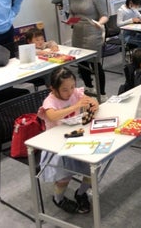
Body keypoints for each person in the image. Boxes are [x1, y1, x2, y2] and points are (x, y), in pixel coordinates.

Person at [37, 67, 99, 214]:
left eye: (72, 86)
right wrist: (76, 106)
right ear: (53, 89)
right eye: (65, 89)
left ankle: (81, 193)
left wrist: (93, 104)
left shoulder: (75, 92)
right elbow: (52, 116)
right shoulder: (50, 101)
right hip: (56, 145)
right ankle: (58, 199)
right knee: (64, 176)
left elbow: (92, 102)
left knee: (93, 167)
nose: (70, 92)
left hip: (76, 138)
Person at [63, 0, 108, 96]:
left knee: (95, 63)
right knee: (81, 61)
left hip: (92, 31)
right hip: (77, 32)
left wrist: (100, 23)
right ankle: (89, 87)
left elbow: (105, 15)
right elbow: (72, 13)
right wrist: (69, 21)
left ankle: (102, 93)